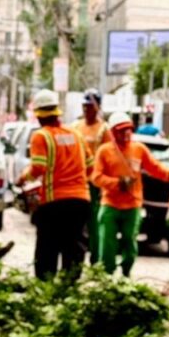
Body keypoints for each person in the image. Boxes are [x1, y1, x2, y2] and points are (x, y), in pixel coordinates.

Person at [17, 89, 94, 280]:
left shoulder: (41, 136)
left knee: (47, 248)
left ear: (39, 116)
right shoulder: (76, 134)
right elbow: (91, 167)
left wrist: (22, 178)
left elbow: (38, 169)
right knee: (74, 248)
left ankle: (45, 289)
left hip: (54, 202)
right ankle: (69, 289)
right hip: (80, 201)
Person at [92, 111, 169, 276]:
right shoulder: (104, 151)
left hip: (132, 205)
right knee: (107, 243)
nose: (126, 133)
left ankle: (126, 272)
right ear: (113, 132)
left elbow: (155, 168)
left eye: (128, 129)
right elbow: (96, 177)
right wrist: (117, 183)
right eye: (121, 130)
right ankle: (107, 275)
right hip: (110, 205)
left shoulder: (139, 149)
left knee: (130, 241)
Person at [72, 89, 113, 264]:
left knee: (93, 223)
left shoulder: (104, 129)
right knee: (76, 224)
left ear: (97, 107)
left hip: (94, 183)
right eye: (84, 106)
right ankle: (75, 261)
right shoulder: (76, 127)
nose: (86, 109)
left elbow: (109, 156)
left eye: (90, 106)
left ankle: (95, 260)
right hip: (78, 180)